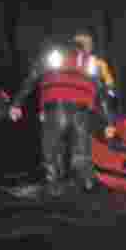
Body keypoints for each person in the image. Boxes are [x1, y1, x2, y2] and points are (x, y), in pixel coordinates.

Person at [9, 36, 114, 195]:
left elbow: (32, 78)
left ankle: (53, 185)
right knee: (81, 151)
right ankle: (87, 183)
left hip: (56, 106)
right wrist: (109, 122)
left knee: (52, 149)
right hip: (82, 109)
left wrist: (17, 104)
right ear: (83, 48)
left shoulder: (53, 58)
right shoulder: (91, 62)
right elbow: (102, 93)